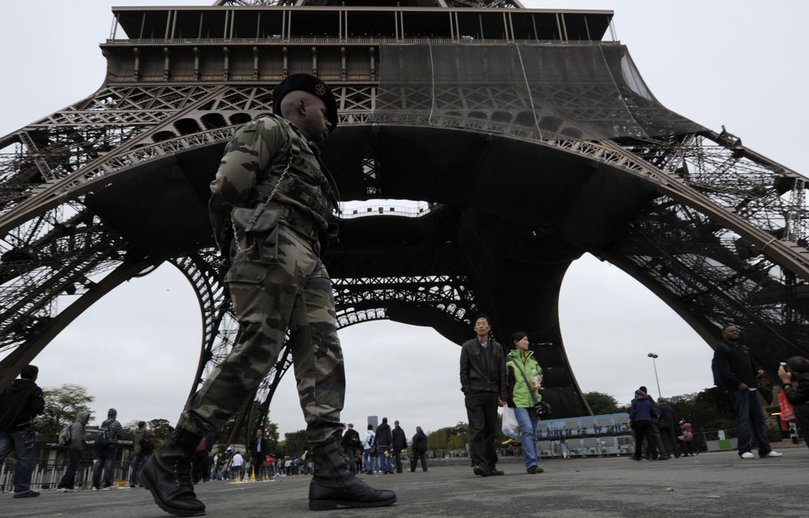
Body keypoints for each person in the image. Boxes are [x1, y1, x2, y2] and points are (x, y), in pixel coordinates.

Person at [140, 73, 394, 515]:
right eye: (325, 112)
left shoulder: (310, 155)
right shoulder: (269, 128)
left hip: (308, 254)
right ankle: (174, 455)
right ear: (300, 107)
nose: (331, 121)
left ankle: (331, 470)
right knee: (259, 345)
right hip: (270, 243)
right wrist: (241, 243)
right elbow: (227, 188)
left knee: (323, 353)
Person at [712, 325, 782, 459]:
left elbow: (753, 363)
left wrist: (758, 371)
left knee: (759, 420)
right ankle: (744, 449)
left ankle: (765, 449)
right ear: (724, 334)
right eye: (732, 331)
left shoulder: (744, 348)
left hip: (752, 387)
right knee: (743, 420)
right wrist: (738, 383)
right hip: (738, 389)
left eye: (737, 330)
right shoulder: (722, 349)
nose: (735, 332)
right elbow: (723, 369)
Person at [459, 314, 507, 477]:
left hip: (492, 392)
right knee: (477, 429)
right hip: (474, 392)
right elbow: (463, 370)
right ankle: (481, 464)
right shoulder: (467, 347)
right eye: (478, 324)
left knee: (490, 430)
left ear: (488, 328)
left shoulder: (498, 348)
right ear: (474, 328)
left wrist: (503, 394)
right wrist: (467, 390)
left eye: (483, 324)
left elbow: (502, 371)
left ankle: (491, 465)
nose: (480, 326)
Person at [0, 365, 45, 498]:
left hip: (4, 427)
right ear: (35, 376)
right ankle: (22, 489)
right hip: (22, 428)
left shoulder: (8, 387)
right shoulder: (34, 389)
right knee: (24, 459)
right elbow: (38, 408)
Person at [505, 331, 545, 474]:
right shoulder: (508, 361)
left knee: (533, 433)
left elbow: (539, 374)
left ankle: (534, 462)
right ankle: (531, 464)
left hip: (533, 400)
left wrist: (539, 380)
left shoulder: (533, 360)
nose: (527, 342)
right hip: (518, 400)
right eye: (524, 339)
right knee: (527, 430)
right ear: (516, 342)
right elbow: (505, 380)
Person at [778, 356, 809, 448]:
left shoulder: (806, 380)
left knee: (800, 407)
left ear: (793, 372)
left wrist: (786, 382)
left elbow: (794, 399)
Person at [57, 410, 91, 491]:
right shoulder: (78, 425)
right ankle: (63, 484)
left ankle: (69, 485)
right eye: (86, 417)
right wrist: (79, 447)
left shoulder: (77, 425)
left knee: (73, 467)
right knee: (72, 467)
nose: (87, 419)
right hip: (75, 448)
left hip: (74, 447)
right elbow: (76, 438)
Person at [93, 408, 123, 490]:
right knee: (110, 463)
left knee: (99, 464)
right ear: (115, 415)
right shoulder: (116, 423)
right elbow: (121, 434)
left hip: (102, 445)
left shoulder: (104, 422)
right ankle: (108, 483)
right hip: (111, 445)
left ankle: (96, 484)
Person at [629, 389, 658, 461]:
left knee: (638, 440)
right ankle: (654, 455)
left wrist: (629, 420)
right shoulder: (648, 402)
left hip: (638, 422)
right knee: (650, 439)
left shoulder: (635, 402)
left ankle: (638, 457)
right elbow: (654, 413)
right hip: (647, 421)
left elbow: (632, 412)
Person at [129, 421, 152, 488]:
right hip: (144, 451)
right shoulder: (145, 431)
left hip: (136, 450)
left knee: (134, 467)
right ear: (143, 426)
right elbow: (151, 432)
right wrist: (150, 425)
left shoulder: (135, 432)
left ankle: (132, 482)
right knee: (144, 467)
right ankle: (142, 482)